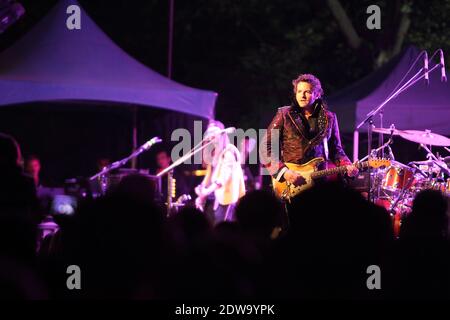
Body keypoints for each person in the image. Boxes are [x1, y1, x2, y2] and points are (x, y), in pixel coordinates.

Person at [263, 73, 358, 197]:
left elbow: (336, 150)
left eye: (307, 92)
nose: (302, 95)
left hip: (320, 182)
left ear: (317, 94)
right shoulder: (285, 114)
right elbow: (266, 147)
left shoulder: (329, 118)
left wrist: (347, 166)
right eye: (299, 91)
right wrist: (284, 172)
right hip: (291, 182)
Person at [194, 121, 246, 225]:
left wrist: (206, 192)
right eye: (209, 138)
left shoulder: (229, 152)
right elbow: (209, 176)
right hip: (217, 199)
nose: (211, 140)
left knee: (224, 231)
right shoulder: (214, 153)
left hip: (228, 200)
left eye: (213, 137)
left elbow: (222, 180)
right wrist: (201, 191)